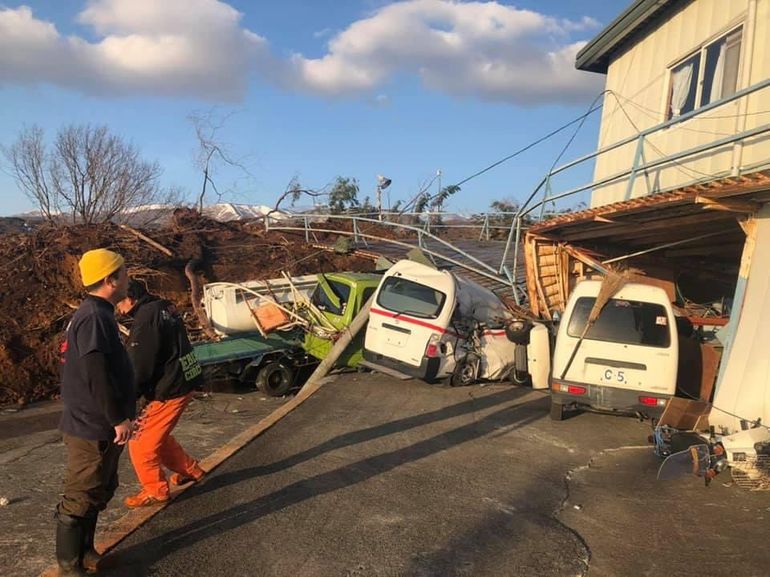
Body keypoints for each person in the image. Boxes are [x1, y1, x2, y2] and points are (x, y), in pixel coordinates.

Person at [56, 248, 135, 576]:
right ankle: (69, 564)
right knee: (82, 493)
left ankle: (86, 552)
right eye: (125, 273)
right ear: (110, 279)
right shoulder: (93, 317)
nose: (129, 278)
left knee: (99, 489)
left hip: (99, 424)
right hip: (91, 426)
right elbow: (95, 372)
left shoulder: (99, 313)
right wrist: (117, 417)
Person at [117, 279, 205, 508]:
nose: (118, 307)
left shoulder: (146, 318)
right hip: (184, 377)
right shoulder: (164, 306)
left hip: (169, 387)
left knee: (140, 441)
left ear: (131, 298)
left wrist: (130, 395)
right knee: (158, 435)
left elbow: (140, 364)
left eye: (120, 301)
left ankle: (156, 491)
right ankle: (191, 470)